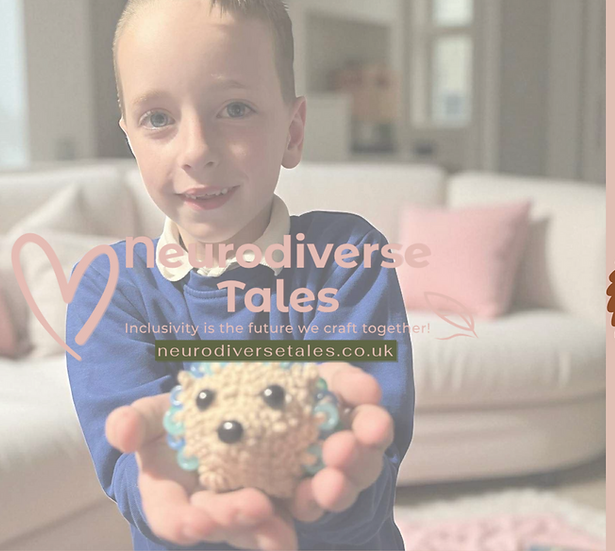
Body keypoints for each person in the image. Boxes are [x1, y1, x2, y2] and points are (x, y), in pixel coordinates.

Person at [66, 0, 415, 548]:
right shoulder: (110, 287)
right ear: (130, 139)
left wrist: (331, 477)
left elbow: (366, 455)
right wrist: (168, 482)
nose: (197, 150)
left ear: (293, 131)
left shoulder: (347, 257)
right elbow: (130, 467)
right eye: (158, 118)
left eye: (234, 109)